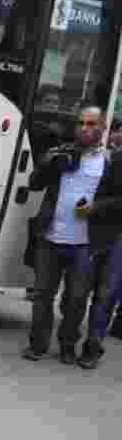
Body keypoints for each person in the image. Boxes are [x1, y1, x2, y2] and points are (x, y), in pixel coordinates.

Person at [23, 106, 107, 365]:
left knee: (76, 300)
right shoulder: (59, 153)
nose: (84, 128)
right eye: (81, 123)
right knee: (42, 296)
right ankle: (37, 344)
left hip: (85, 244)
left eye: (91, 124)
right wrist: (50, 164)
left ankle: (67, 346)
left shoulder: (109, 162)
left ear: (102, 128)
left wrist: (95, 208)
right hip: (50, 237)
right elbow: (34, 183)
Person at [78, 147, 122, 368]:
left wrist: (98, 206)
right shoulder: (115, 158)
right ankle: (72, 339)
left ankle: (93, 345)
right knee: (80, 290)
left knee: (106, 294)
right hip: (99, 231)